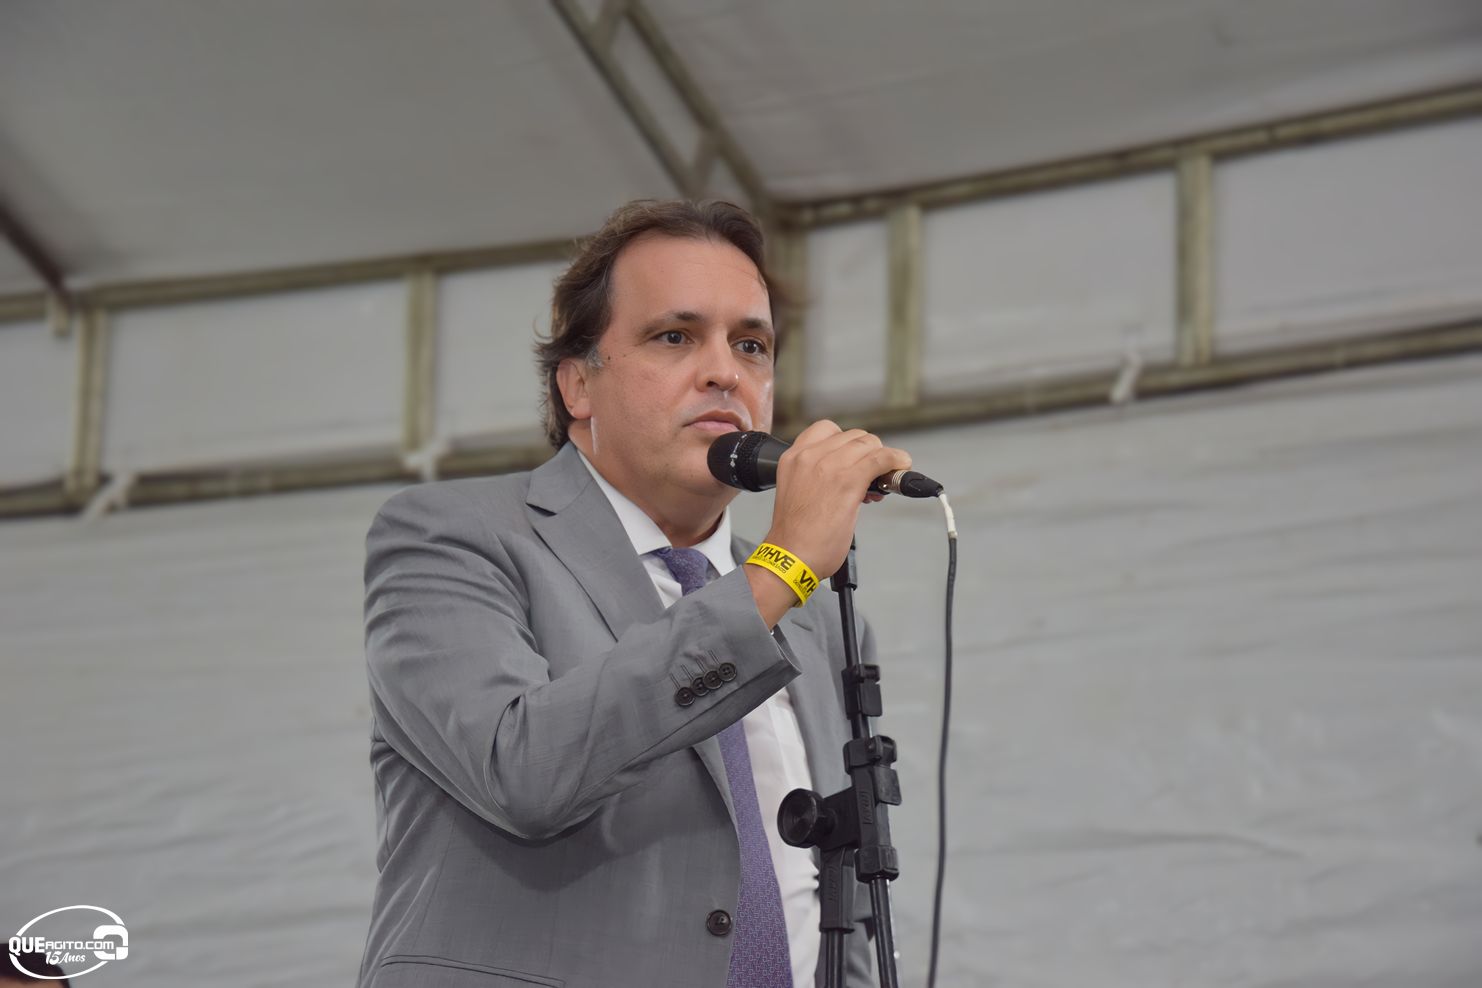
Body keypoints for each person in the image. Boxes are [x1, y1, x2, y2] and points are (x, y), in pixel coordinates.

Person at [357, 199, 911, 988]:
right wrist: (779, 571)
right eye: (675, 336)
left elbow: (836, 894)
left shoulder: (813, 614)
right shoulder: (449, 535)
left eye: (751, 345)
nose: (725, 371)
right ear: (578, 383)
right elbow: (523, 772)